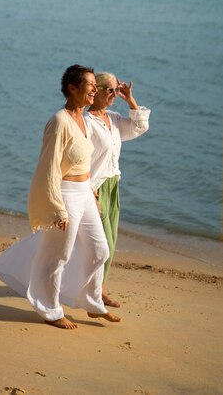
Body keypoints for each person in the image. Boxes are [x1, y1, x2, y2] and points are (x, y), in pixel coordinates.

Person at [0, 64, 121, 330]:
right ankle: (50, 310)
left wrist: (91, 190)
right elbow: (48, 169)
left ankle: (92, 302)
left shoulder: (84, 119)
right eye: (90, 84)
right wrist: (56, 208)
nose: (95, 88)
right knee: (57, 256)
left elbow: (83, 162)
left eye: (96, 84)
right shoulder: (59, 121)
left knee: (99, 250)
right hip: (65, 195)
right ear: (72, 88)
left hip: (84, 193)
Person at [85, 72, 150, 308]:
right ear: (97, 91)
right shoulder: (87, 122)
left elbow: (139, 126)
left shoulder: (112, 118)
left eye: (116, 90)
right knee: (103, 245)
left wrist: (129, 99)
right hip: (95, 188)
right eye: (110, 90)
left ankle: (98, 289)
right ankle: (95, 292)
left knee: (109, 244)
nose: (114, 94)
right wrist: (89, 191)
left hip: (113, 187)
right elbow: (80, 161)